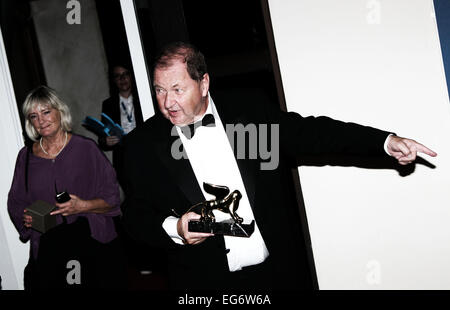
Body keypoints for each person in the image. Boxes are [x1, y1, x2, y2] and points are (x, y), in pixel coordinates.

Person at [121, 42, 437, 290]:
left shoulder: (250, 111)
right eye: (160, 90)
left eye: (178, 89)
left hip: (277, 278)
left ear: (203, 83)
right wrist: (175, 228)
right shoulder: (141, 146)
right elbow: (135, 218)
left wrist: (384, 142)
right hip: (204, 286)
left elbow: (313, 134)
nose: (167, 103)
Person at [8, 85, 124, 289]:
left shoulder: (85, 148)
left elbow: (113, 197)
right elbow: (16, 202)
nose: (41, 120)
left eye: (46, 112)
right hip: (48, 249)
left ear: (60, 112)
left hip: (90, 243)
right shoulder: (25, 157)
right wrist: (26, 219)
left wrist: (83, 206)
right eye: (34, 116)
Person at [99, 64, 144, 192]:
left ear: (131, 76)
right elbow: (103, 137)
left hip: (144, 152)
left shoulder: (143, 98)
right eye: (118, 76)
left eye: (125, 74)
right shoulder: (108, 104)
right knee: (133, 195)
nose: (122, 79)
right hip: (123, 159)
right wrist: (105, 140)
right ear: (114, 81)